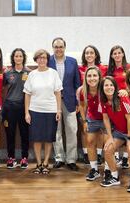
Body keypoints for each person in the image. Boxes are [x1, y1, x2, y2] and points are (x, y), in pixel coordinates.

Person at [99, 76, 130, 193]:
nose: (109, 87)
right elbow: (105, 119)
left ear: (115, 87)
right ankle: (114, 177)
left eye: (111, 85)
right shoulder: (103, 100)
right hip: (119, 131)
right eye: (106, 85)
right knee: (108, 149)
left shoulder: (122, 98)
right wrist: (109, 137)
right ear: (102, 88)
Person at [24, 49, 62, 174]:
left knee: (48, 138)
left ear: (47, 59)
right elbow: (27, 95)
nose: (42, 60)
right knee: (37, 138)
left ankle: (46, 163)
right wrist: (27, 112)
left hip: (51, 110)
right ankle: (38, 163)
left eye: (44, 57)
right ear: (36, 60)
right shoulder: (32, 74)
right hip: (35, 110)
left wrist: (58, 110)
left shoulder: (53, 73)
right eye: (39, 58)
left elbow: (57, 93)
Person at [48, 37, 80, 171]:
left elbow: (77, 83)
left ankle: (71, 159)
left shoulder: (72, 62)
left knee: (72, 130)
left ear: (65, 47)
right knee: (56, 130)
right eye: (56, 46)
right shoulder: (47, 61)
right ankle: (59, 158)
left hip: (70, 100)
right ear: (52, 48)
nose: (58, 49)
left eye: (61, 46)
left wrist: (78, 101)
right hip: (52, 101)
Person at [78, 45, 106, 165]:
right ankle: (86, 154)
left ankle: (99, 154)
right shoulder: (79, 68)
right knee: (85, 130)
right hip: (85, 100)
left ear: (96, 55)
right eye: (86, 53)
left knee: (100, 132)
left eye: (91, 53)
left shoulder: (103, 68)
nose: (89, 55)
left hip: (100, 104)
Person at [3, 48, 30, 169]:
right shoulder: (8, 73)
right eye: (16, 56)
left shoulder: (29, 73)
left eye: (20, 56)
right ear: (13, 58)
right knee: (10, 133)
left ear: (23, 58)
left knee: (25, 133)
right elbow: (2, 88)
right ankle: (11, 157)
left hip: (24, 107)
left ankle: (24, 158)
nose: (18, 58)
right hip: (10, 108)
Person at [106, 45, 130, 168]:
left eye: (119, 53)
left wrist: (127, 91)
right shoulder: (109, 70)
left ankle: (126, 158)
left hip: (128, 102)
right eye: (114, 53)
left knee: (128, 127)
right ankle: (115, 156)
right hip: (114, 104)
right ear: (111, 56)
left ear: (123, 54)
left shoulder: (129, 68)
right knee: (115, 128)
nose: (117, 55)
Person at [78, 66, 105, 181]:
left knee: (108, 145)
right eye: (89, 76)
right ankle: (94, 169)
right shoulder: (82, 90)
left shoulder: (105, 87)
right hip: (92, 119)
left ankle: (109, 170)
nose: (92, 78)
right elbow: (82, 106)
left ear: (99, 77)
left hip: (106, 119)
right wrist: (84, 121)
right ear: (85, 78)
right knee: (90, 142)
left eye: (95, 75)